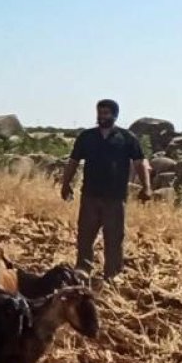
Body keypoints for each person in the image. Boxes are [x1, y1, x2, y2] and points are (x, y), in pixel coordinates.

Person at [60, 99, 149, 280]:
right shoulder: (87, 137)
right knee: (85, 236)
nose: (102, 117)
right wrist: (65, 183)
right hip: (90, 195)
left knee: (114, 239)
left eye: (106, 113)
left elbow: (140, 163)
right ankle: (82, 272)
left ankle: (112, 276)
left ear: (115, 115)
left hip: (115, 198)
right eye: (100, 113)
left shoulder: (127, 138)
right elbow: (73, 162)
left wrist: (147, 187)